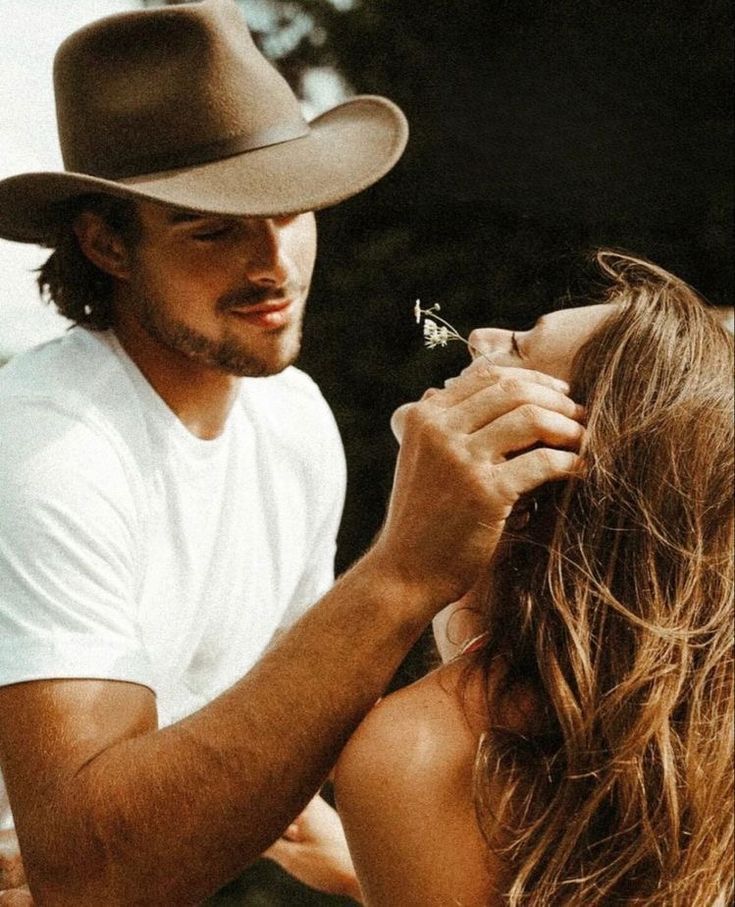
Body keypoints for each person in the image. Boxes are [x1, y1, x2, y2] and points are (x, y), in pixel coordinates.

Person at [0, 1, 588, 903]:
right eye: (214, 228)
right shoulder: (48, 448)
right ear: (106, 243)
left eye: (292, 209)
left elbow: (277, 730)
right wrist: (401, 570)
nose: (275, 263)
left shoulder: (292, 418)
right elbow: (88, 876)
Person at [334, 251, 734, 906]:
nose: (482, 336)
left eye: (519, 344)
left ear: (537, 453)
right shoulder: (698, 714)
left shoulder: (423, 748)